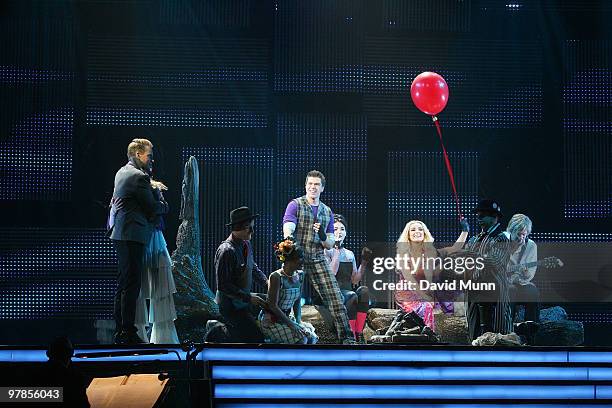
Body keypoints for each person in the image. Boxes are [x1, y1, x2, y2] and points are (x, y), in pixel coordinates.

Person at [107, 138, 169, 344]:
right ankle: (128, 331)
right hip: (132, 235)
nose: (152, 160)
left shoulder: (122, 171)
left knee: (124, 283)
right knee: (131, 283)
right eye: (149, 156)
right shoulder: (139, 177)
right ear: (138, 154)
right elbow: (154, 207)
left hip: (121, 233)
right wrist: (160, 198)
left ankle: (121, 329)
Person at [282, 170, 355, 344]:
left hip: (317, 256)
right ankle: (289, 336)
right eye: (310, 184)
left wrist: (322, 233)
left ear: (322, 188)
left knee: (335, 297)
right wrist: (289, 239)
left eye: (316, 185)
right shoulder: (295, 204)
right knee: (289, 296)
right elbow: (288, 226)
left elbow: (329, 243)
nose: (312, 187)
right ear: (305, 185)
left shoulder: (327, 211)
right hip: (296, 257)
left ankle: (347, 338)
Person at [394, 219, 469, 330]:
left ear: (424, 234)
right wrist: (427, 298)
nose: (417, 231)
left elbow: (455, 248)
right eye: (413, 230)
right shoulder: (404, 255)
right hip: (410, 292)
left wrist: (465, 231)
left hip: (429, 291)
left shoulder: (431, 252)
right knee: (427, 307)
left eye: (420, 229)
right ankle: (428, 336)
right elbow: (411, 281)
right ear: (408, 235)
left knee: (459, 298)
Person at [134, 179, 179, 344]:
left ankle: (162, 336)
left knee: (160, 288)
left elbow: (163, 207)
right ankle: (138, 334)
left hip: (152, 235)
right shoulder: (135, 186)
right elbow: (160, 207)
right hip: (141, 236)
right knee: (138, 288)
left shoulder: (147, 186)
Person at [215, 206, 269, 343]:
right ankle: (218, 330)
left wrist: (267, 283)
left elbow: (253, 268)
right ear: (240, 227)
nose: (252, 231)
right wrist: (248, 297)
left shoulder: (246, 244)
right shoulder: (227, 251)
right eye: (249, 227)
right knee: (257, 338)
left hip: (243, 301)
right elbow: (223, 286)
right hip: (231, 307)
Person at [464, 199, 513, 341]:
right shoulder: (474, 239)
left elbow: (494, 261)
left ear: (494, 217)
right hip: (473, 289)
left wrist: (471, 256)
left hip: (493, 291)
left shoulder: (501, 238)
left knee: (494, 332)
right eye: (478, 215)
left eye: (483, 215)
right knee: (474, 330)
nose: (478, 218)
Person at [259, 238, 318, 344]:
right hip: (272, 320)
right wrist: (292, 324)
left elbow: (297, 302)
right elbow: (273, 306)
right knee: (302, 340)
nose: (303, 261)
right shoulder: (276, 277)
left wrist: (298, 322)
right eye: (300, 258)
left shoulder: (300, 275)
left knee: (311, 337)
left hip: (287, 318)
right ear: (290, 260)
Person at [324, 214, 372, 342]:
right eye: (335, 229)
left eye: (342, 229)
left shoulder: (349, 254)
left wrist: (364, 261)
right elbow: (331, 273)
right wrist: (336, 249)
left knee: (364, 291)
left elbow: (355, 280)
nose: (339, 232)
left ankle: (358, 333)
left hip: (347, 290)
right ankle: (349, 335)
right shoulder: (325, 251)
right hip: (332, 293)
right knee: (351, 296)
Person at [31, 337, 90, 407]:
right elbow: (84, 405)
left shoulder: (36, 374)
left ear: (48, 353)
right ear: (71, 353)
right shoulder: (76, 378)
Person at [505, 214, 540, 323]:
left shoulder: (531, 246)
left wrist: (525, 272)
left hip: (520, 283)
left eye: (524, 235)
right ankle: (506, 327)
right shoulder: (501, 242)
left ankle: (531, 328)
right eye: (518, 235)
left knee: (533, 291)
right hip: (502, 283)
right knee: (510, 290)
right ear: (511, 231)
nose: (521, 238)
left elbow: (530, 275)